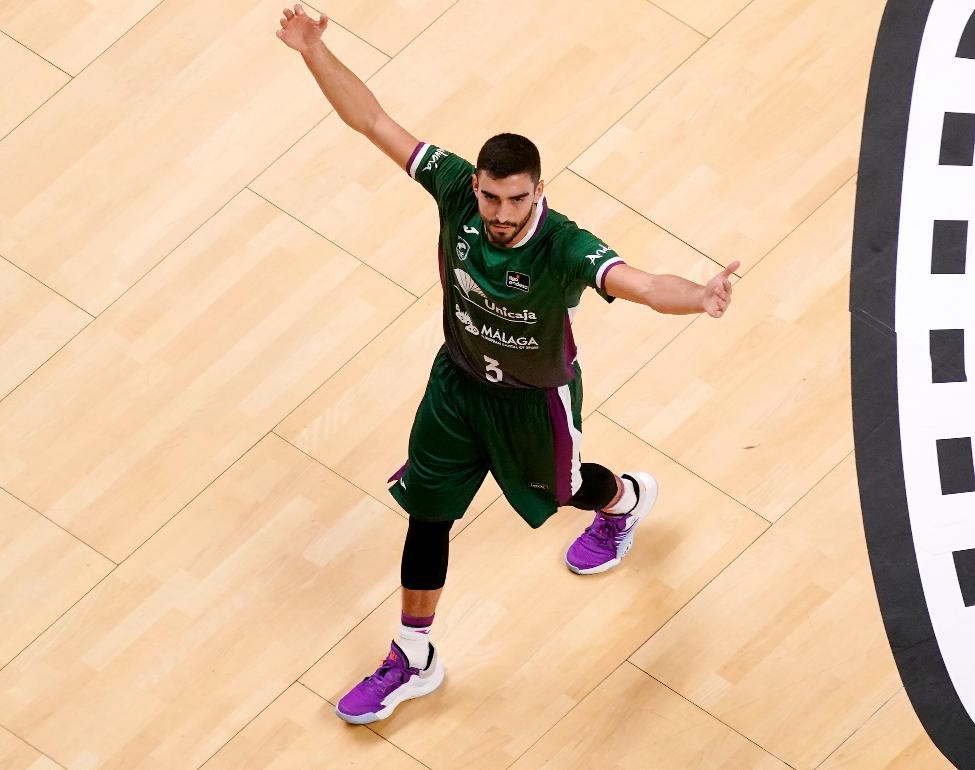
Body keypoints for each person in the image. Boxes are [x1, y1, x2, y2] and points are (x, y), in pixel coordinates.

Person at [276, 4, 739, 725]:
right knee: (427, 513)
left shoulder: (564, 247)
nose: (498, 210)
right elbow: (372, 121)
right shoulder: (457, 190)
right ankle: (413, 655)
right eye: (491, 196)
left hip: (533, 401)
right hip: (456, 387)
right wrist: (312, 52)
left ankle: (624, 502)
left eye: (514, 198)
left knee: (561, 493)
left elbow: (643, 284)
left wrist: (699, 296)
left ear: (538, 189)